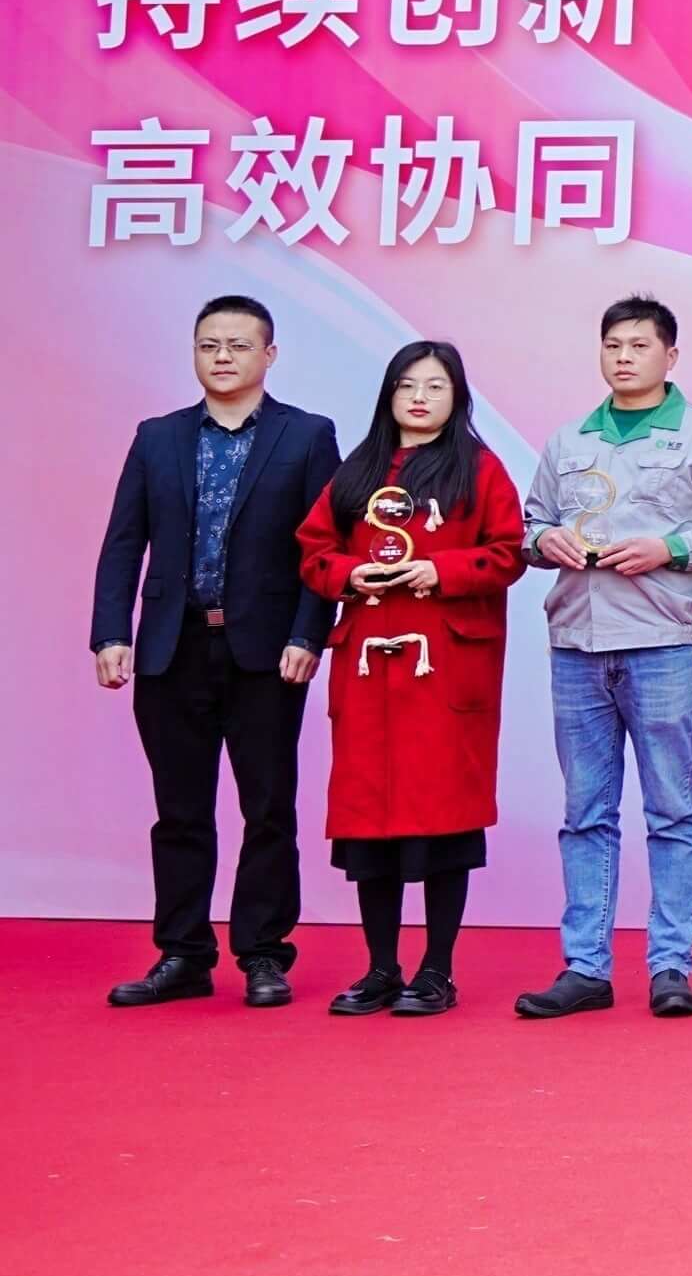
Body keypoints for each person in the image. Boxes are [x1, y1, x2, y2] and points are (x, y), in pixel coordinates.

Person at [89, 295, 340, 1009]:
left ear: (270, 354)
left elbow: (325, 548)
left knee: (269, 808)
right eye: (209, 345)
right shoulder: (158, 437)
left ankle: (263, 953)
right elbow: (123, 542)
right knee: (179, 810)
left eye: (237, 344)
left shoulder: (307, 435)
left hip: (266, 652)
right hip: (172, 648)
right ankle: (183, 954)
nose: (222, 357)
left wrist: (307, 635)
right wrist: (111, 633)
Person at [519, 294, 692, 1021]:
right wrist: (545, 541)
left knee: (672, 811)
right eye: (613, 345)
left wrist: (670, 547)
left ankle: (671, 966)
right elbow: (531, 526)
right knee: (584, 813)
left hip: (661, 643)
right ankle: (585, 967)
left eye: (639, 345)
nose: (624, 357)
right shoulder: (570, 440)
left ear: (670, 356)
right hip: (577, 644)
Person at [293, 342, 525, 1016]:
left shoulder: (479, 468)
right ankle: (381, 969)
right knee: (370, 825)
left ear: (458, 398)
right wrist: (349, 575)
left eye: (435, 386)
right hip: (370, 669)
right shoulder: (358, 468)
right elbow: (313, 550)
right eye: (407, 385)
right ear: (388, 395)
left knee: (444, 821)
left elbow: (508, 552)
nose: (420, 398)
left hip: (442, 669)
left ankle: (436, 971)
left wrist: (440, 570)